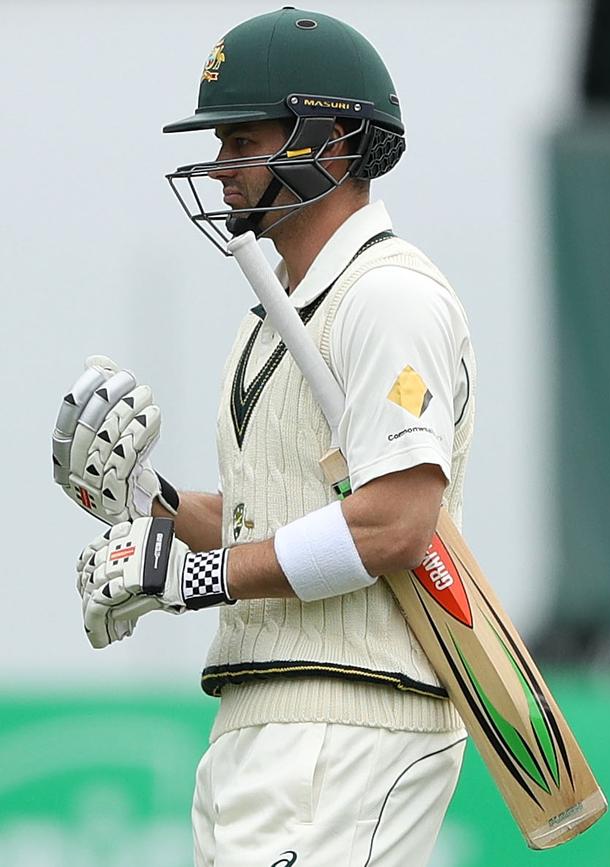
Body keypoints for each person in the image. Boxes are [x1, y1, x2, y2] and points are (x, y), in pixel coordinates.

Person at [53, 8, 477, 866]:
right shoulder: (271, 320)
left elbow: (395, 523)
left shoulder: (389, 298)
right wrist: (151, 506)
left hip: (351, 717)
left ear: (329, 140)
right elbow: (274, 519)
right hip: (261, 718)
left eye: (241, 140)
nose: (218, 170)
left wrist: (192, 575)